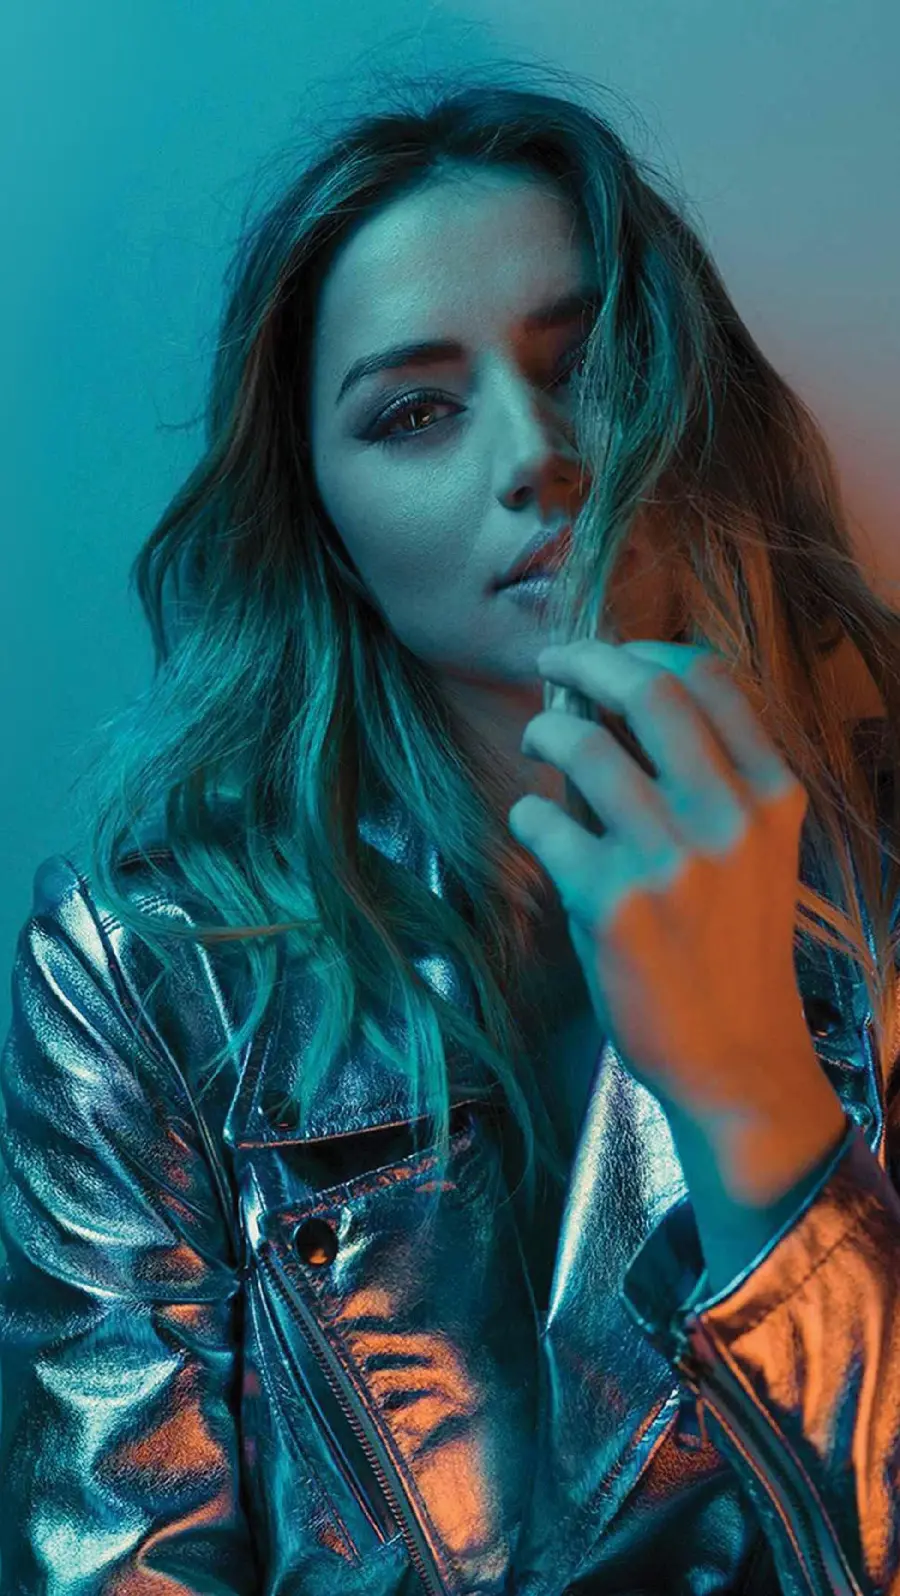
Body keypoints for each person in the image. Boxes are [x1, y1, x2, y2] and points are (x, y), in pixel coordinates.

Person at [2, 63, 899, 1596]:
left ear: (695, 404)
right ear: (328, 531)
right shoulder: (143, 974)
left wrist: (751, 1089)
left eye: (589, 362)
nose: (536, 456)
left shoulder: (882, 865)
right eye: (416, 411)